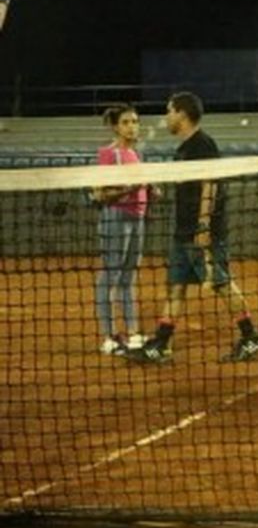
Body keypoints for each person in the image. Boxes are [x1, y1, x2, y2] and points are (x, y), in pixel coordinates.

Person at [125, 92, 258, 365]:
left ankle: (251, 337)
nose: (167, 117)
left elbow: (209, 185)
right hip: (183, 232)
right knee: (176, 287)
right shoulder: (184, 149)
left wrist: (203, 225)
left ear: (182, 113)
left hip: (200, 232)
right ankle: (161, 344)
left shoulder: (202, 145)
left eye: (169, 111)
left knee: (222, 284)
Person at [92, 104, 150, 356]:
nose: (132, 127)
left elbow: (140, 187)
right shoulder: (108, 154)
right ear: (116, 127)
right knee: (110, 276)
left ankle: (133, 333)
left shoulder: (135, 154)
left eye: (135, 121)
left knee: (128, 279)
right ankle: (109, 337)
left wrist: (150, 190)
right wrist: (131, 188)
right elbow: (100, 194)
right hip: (116, 218)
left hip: (138, 218)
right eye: (126, 122)